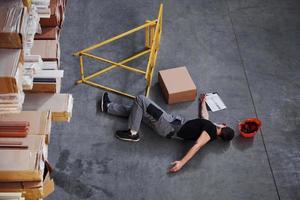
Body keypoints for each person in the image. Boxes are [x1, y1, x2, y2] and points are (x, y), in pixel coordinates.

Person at [99, 92, 234, 173]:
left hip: (168, 125)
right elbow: (205, 117)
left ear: (223, 127)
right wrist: (203, 102)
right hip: (169, 125)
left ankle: (132, 133)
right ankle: (108, 107)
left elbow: (197, 145)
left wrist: (181, 163)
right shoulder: (210, 128)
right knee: (139, 110)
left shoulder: (210, 131)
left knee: (141, 100)